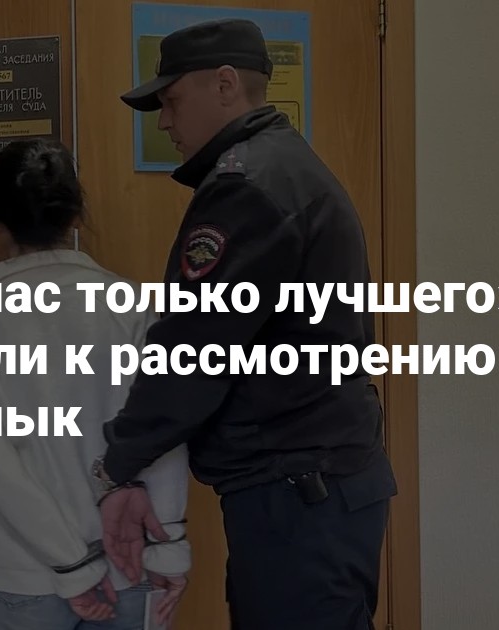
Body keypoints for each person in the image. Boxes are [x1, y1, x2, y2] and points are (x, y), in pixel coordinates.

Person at [89, 18, 399, 630]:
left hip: (298, 492)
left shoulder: (247, 186)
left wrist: (116, 462)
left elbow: (195, 346)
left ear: (226, 84)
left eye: (172, 100)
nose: (164, 122)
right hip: (319, 482)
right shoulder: (280, 166)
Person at [0, 138, 192, 630]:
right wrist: (169, 546)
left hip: (21, 576)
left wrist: (71, 564)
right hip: (130, 563)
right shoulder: (128, 305)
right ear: (76, 217)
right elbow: (161, 431)